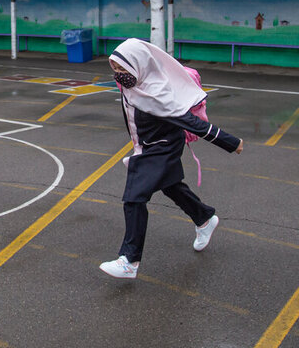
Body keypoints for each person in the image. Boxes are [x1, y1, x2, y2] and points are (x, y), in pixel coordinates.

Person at [100, 38, 243, 279]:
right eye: (114, 69)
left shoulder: (157, 93)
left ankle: (130, 260)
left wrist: (231, 142)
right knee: (170, 186)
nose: (119, 75)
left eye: (122, 69)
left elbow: (191, 122)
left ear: (140, 65)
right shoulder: (135, 83)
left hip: (161, 149)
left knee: (134, 198)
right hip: (148, 146)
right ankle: (204, 218)